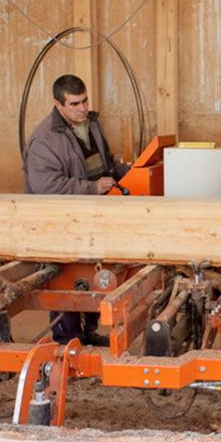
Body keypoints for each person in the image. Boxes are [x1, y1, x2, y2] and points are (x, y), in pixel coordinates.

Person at [23, 74, 129, 345]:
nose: (82, 108)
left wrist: (131, 172)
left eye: (84, 101)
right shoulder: (44, 140)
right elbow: (46, 185)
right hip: (61, 221)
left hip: (90, 215)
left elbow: (105, 163)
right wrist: (92, 188)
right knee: (67, 276)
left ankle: (88, 332)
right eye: (74, 104)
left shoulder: (90, 124)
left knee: (91, 273)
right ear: (58, 104)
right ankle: (67, 337)